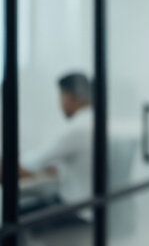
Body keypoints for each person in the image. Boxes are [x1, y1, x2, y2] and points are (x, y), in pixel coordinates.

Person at [19, 72, 93, 217]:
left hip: (78, 210)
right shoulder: (98, 120)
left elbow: (30, 163)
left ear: (69, 97)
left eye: (61, 97)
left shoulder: (77, 128)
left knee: (14, 216)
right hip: (96, 207)